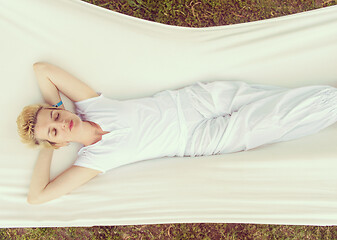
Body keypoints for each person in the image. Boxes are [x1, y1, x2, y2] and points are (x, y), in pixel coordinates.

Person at [17, 62, 337, 205]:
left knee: (264, 96)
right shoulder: (91, 161)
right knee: (270, 120)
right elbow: (37, 197)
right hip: (195, 141)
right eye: (56, 131)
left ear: (63, 107)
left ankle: (329, 98)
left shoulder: (91, 105)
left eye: (57, 116)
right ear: (58, 143)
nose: (63, 122)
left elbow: (42, 69)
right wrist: (47, 145)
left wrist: (53, 107)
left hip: (193, 100)